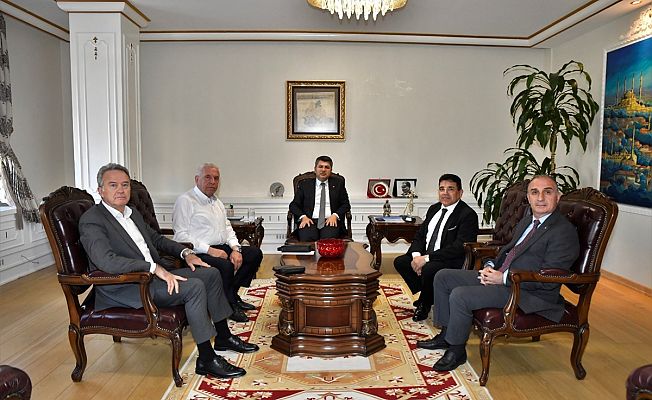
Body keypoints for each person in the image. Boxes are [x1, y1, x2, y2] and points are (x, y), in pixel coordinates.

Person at [79, 163, 259, 380]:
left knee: (211, 273)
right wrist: (154, 268)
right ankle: (206, 359)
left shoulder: (131, 213)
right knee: (194, 287)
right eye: (113, 185)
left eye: (125, 185)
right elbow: (106, 261)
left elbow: (156, 239)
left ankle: (223, 336)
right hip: (129, 286)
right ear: (100, 190)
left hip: (154, 276)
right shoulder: (92, 220)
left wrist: (186, 252)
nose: (121, 190)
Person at [417, 175, 580, 372]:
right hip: (505, 278)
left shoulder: (563, 231)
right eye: (534, 192)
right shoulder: (528, 221)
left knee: (461, 295)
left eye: (548, 192)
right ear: (528, 197)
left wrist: (503, 278)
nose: (540, 198)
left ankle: (457, 350)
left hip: (527, 292)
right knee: (443, 276)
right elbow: (508, 251)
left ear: (558, 197)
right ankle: (446, 334)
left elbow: (550, 278)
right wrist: (491, 265)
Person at [172, 163, 263, 323]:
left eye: (216, 178)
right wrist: (209, 250)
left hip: (221, 247)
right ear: (197, 179)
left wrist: (236, 249)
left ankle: (231, 294)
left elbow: (227, 228)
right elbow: (180, 235)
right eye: (208, 177)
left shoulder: (217, 202)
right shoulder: (185, 201)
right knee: (225, 266)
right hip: (196, 253)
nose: (213, 182)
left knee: (254, 254)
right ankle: (229, 306)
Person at [394, 174, 479, 322]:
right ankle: (428, 293)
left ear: (460, 193)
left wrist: (426, 259)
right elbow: (420, 236)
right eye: (441, 189)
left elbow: (458, 247)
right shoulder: (434, 209)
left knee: (429, 269)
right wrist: (417, 257)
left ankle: (425, 304)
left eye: (450, 189)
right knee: (401, 262)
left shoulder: (467, 215)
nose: (445, 193)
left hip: (450, 259)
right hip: (428, 256)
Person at [289, 155, 351, 242]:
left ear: (331, 170)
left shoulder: (338, 184)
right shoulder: (304, 185)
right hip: (309, 220)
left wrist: (335, 215)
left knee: (328, 241)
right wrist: (303, 217)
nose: (323, 170)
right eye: (320, 166)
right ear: (315, 169)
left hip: (330, 220)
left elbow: (346, 204)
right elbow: (293, 205)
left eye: (327, 167)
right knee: (307, 239)